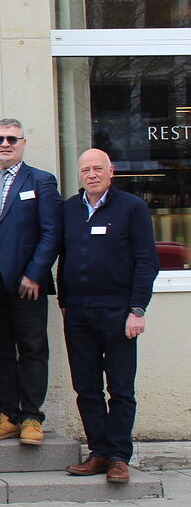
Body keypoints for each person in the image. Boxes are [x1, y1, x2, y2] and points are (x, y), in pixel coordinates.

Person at [58, 149, 158, 483]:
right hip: (78, 313)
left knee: (120, 387)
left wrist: (137, 310)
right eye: (85, 169)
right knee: (86, 387)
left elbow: (147, 261)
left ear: (111, 171)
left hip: (118, 312)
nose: (92, 174)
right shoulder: (69, 210)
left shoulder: (131, 208)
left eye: (98, 168)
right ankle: (98, 452)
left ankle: (118, 456)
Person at [0, 119, 61, 446]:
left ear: (22, 143)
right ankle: (5, 415)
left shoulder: (41, 181)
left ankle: (31, 416)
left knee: (32, 348)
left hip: (25, 283)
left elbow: (51, 233)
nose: (5, 144)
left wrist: (35, 273)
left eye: (12, 139)